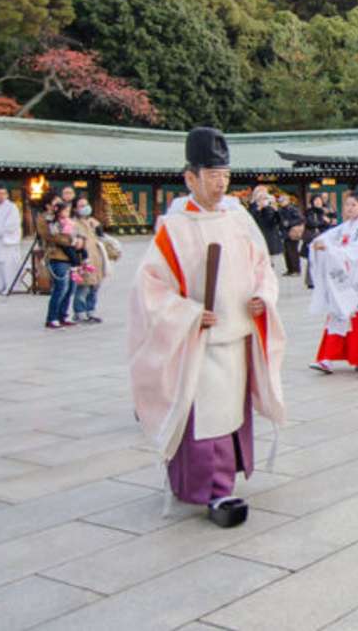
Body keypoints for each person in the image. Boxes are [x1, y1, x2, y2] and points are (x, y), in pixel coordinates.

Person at [128, 127, 286, 527]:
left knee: (232, 413)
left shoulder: (238, 218)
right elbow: (150, 288)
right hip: (198, 340)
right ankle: (209, 490)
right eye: (212, 175)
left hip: (237, 333)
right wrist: (189, 313)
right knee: (206, 416)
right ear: (190, 177)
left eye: (225, 175)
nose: (221, 183)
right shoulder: (174, 227)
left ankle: (225, 482)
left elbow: (262, 267)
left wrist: (261, 297)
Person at [308, 191, 358, 376]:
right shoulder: (344, 227)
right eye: (347, 204)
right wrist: (318, 244)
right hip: (344, 280)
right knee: (337, 317)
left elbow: (354, 253)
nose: (349, 208)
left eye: (353, 205)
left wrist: (330, 248)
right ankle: (326, 358)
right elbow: (327, 239)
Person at [36, 194, 79, 329]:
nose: (59, 206)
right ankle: (52, 318)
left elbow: (75, 231)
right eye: (56, 203)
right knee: (61, 287)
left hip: (71, 256)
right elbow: (50, 236)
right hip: (56, 256)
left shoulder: (65, 218)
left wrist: (78, 239)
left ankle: (63, 315)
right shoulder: (44, 218)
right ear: (48, 205)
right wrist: (70, 240)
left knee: (71, 288)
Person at [71, 198, 110, 323]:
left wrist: (98, 227)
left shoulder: (92, 222)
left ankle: (91, 311)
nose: (85, 207)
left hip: (97, 258)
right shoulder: (74, 224)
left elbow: (101, 237)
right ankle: (80, 312)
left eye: (86, 204)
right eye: (81, 205)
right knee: (83, 286)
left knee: (95, 286)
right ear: (75, 209)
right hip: (84, 258)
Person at [302, 195, 335, 288]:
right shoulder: (309, 212)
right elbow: (311, 223)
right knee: (312, 260)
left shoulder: (325, 211)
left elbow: (331, 222)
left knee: (324, 259)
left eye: (319, 200)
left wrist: (327, 221)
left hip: (323, 237)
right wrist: (323, 221)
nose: (318, 202)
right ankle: (311, 281)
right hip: (312, 238)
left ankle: (323, 279)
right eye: (316, 200)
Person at [248, 186, 284, 267]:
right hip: (257, 234)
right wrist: (258, 208)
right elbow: (250, 219)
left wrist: (276, 210)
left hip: (270, 235)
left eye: (264, 196)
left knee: (269, 260)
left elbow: (277, 221)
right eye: (260, 195)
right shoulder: (253, 206)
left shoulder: (270, 206)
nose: (262, 198)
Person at [277, 194, 304, 277]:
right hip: (285, 233)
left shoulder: (292, 209)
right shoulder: (280, 210)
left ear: (288, 201)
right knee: (287, 252)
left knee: (293, 252)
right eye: (280, 201)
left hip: (293, 233)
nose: (282, 202)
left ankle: (296, 270)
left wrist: (289, 223)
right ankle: (290, 269)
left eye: (283, 200)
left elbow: (300, 219)